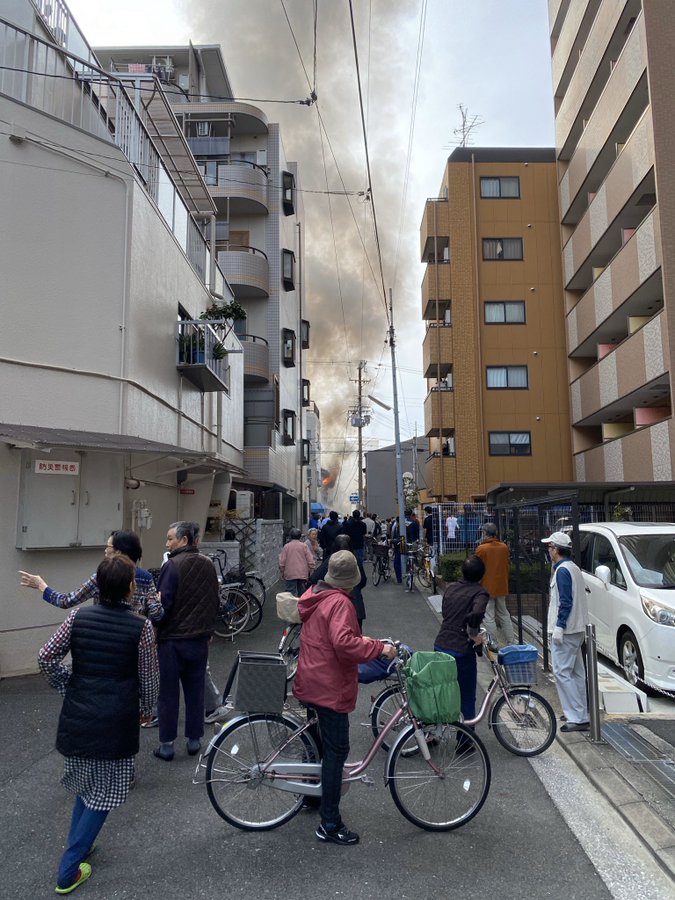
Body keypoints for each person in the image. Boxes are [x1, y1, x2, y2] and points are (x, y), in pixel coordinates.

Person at [38, 553, 158, 894]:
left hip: (78, 713)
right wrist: (146, 708)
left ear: (99, 586)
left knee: (87, 786)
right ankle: (69, 870)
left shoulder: (78, 617)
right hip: (117, 718)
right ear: (131, 587)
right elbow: (149, 678)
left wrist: (67, 684)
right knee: (104, 794)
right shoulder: (141, 626)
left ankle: (82, 842)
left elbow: (45, 656)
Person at [293, 551, 396, 845]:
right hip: (329, 685)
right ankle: (329, 823)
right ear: (351, 580)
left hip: (310, 678)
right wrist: (378, 648)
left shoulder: (316, 593)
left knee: (316, 743)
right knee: (336, 751)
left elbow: (334, 637)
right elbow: (343, 642)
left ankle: (311, 796)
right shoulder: (340, 602)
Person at [154, 521, 219, 761]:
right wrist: (208, 630)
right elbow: (215, 601)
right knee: (195, 690)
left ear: (184, 540)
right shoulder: (208, 564)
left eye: (171, 538)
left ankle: (167, 745)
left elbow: (162, 606)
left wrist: (155, 629)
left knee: (169, 693)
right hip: (199, 639)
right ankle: (194, 740)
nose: (167, 543)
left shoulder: (172, 566)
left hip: (172, 640)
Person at [19, 530, 163, 622]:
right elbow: (157, 614)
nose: (105, 551)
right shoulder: (146, 577)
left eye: (108, 547)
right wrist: (158, 601)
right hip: (134, 638)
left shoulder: (102, 576)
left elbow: (66, 601)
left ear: (119, 551)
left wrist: (41, 586)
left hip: (103, 631)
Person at [541, 531, 590, 732]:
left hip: (567, 630)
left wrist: (559, 626)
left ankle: (575, 716)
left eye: (550, 547)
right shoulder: (573, 568)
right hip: (577, 628)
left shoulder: (562, 571)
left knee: (562, 672)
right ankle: (581, 713)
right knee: (577, 672)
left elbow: (565, 602)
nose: (548, 551)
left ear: (556, 550)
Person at [433, 555, 489, 722]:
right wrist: (473, 634)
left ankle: (433, 731)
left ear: (462, 572)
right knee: (466, 695)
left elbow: (445, 612)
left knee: (440, 692)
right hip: (461, 651)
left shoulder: (451, 588)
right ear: (481, 574)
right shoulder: (480, 592)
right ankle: (465, 740)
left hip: (441, 645)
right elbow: (477, 612)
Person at [309, 534, 367, 631]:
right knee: (356, 638)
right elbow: (363, 581)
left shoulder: (332, 560)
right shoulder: (355, 559)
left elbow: (314, 578)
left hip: (334, 606)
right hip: (356, 604)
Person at [475, 523, 514, 644]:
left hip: (486, 586)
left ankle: (494, 643)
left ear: (485, 533)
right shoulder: (504, 547)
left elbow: (477, 567)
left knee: (489, 616)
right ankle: (511, 641)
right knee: (504, 614)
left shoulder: (481, 549)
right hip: (501, 585)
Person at [279, 528, 316, 596]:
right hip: (302, 574)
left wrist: (282, 571)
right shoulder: (304, 546)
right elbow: (310, 559)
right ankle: (300, 606)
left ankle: (290, 606)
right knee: (302, 593)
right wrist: (310, 568)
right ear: (300, 536)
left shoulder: (286, 546)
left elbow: (282, 561)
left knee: (290, 594)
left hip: (290, 574)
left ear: (290, 536)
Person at [392, 511, 420, 584]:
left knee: (398, 562)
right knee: (411, 560)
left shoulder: (399, 522)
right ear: (411, 515)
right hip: (412, 543)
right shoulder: (414, 522)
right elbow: (418, 534)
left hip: (402, 542)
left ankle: (399, 578)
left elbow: (395, 534)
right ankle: (410, 577)